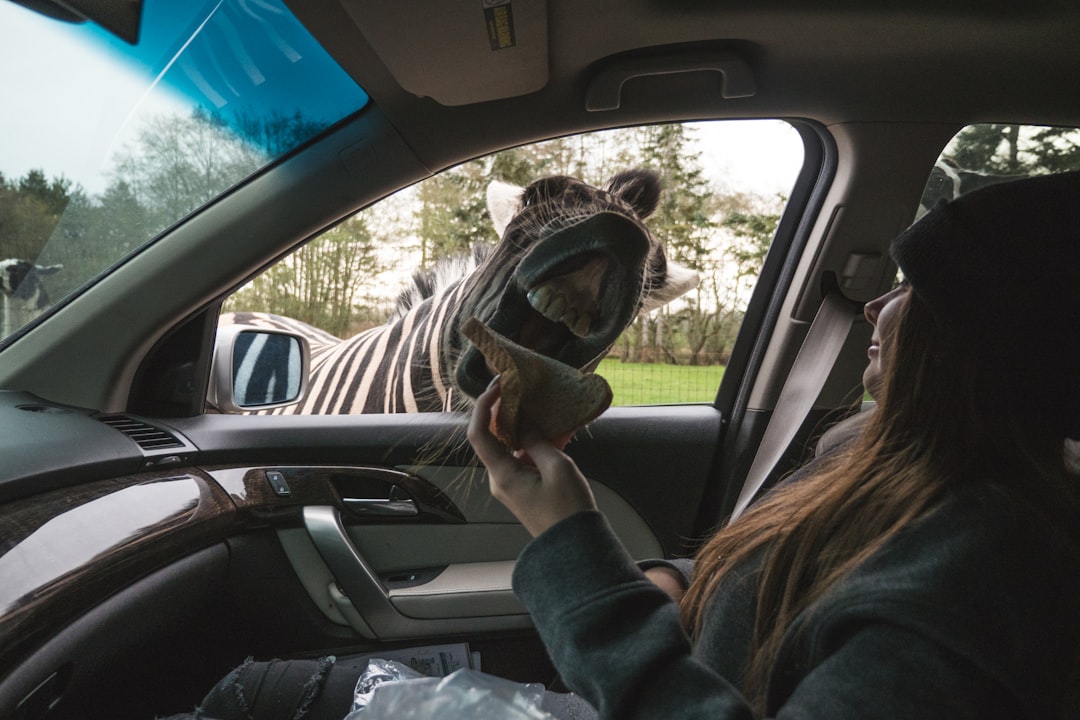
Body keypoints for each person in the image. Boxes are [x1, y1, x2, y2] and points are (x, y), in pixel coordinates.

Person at [468, 171, 1080, 719]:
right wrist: (675, 584)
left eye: (911, 289)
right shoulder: (873, 450)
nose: (874, 305)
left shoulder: (988, 579)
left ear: (984, 339)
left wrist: (566, 539)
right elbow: (789, 574)